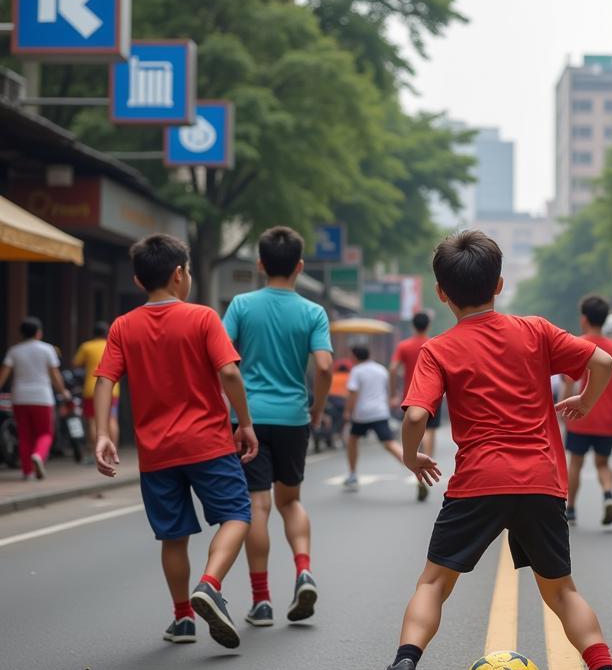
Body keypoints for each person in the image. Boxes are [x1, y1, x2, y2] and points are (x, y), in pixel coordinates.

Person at [355, 230, 612, 670]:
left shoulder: (438, 349)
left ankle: (403, 666)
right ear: (501, 283)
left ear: (442, 293)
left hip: (477, 482)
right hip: (540, 479)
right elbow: (599, 361)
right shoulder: (535, 330)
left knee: (434, 583)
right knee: (561, 592)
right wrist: (585, 401)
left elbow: (414, 418)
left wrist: (411, 458)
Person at [92, 234, 257, 648]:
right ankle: (210, 583)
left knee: (173, 535)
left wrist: (101, 435)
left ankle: (183, 618)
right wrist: (245, 423)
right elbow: (231, 373)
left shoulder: (123, 326)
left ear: (137, 279)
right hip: (208, 444)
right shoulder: (202, 318)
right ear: (179, 274)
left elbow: (104, 380)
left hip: (156, 452)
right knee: (237, 513)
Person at [222, 226, 333, 627]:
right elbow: (323, 366)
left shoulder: (240, 305)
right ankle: (303, 569)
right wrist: (316, 409)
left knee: (257, 505)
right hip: (292, 417)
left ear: (260, 264)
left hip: (248, 419)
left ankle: (262, 601)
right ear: (300, 266)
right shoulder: (312, 312)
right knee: (290, 501)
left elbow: (224, 362)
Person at [561, 294, 612, 527]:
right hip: (608, 419)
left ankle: (570, 509)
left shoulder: (575, 345)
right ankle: (608, 494)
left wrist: (562, 410)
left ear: (584, 320)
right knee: (603, 464)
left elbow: (569, 384)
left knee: (576, 464)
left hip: (578, 417)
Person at [0, 317, 70, 480]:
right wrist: (63, 391)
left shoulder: (14, 351)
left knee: (24, 435)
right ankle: (38, 455)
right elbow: (55, 375)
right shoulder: (47, 349)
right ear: (39, 332)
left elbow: (3, 376)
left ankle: (27, 471)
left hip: (19, 398)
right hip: (42, 397)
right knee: (45, 432)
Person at [390, 311, 441, 501]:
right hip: (433, 395)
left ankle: (418, 461)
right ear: (427, 326)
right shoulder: (435, 343)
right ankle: (427, 461)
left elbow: (393, 368)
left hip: (410, 396)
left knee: (415, 428)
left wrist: (393, 392)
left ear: (413, 326)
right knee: (429, 432)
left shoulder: (404, 346)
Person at [343, 345, 404, 491]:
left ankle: (352, 474)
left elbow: (353, 394)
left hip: (361, 414)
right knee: (389, 443)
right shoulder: (381, 369)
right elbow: (388, 390)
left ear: (355, 357)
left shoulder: (356, 371)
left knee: (352, 440)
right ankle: (414, 467)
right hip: (380, 412)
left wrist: (347, 411)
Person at [73, 321, 120, 451]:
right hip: (112, 388)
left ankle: (96, 451)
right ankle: (113, 448)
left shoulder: (87, 346)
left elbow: (76, 364)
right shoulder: (112, 345)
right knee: (112, 419)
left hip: (90, 389)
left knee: (93, 421)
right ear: (107, 333)